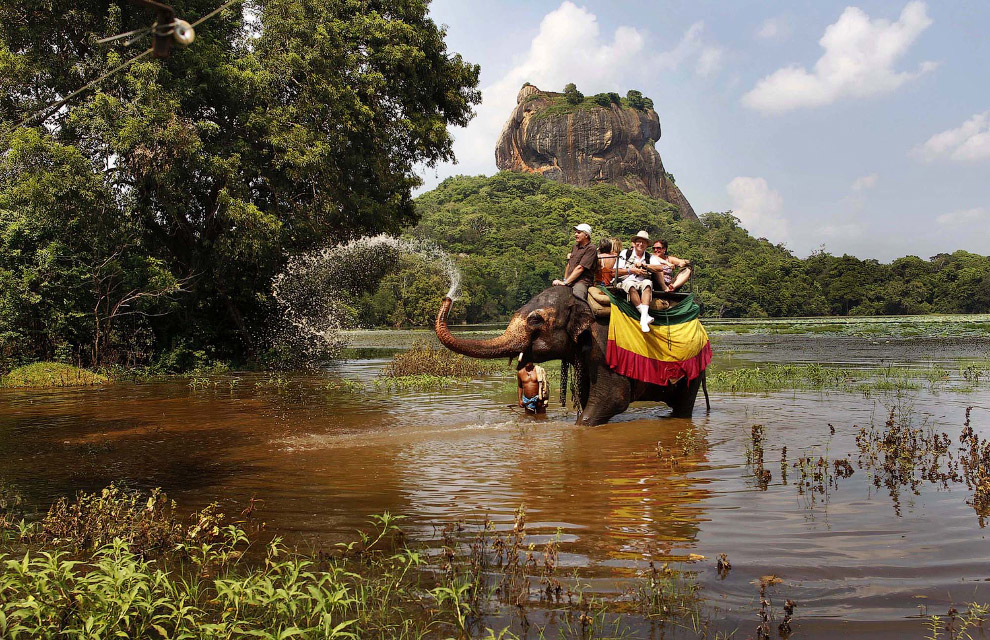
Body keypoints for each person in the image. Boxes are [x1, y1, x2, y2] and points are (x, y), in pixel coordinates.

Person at [616, 230, 662, 332]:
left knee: (648, 283)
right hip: (626, 280)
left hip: (642, 281)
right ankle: (645, 316)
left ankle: (643, 319)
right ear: (634, 243)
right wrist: (631, 270)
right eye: (639, 241)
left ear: (646, 245)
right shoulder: (625, 253)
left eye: (644, 242)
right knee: (630, 284)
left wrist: (644, 265)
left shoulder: (649, 257)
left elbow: (660, 268)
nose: (641, 244)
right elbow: (615, 271)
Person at [553, 223, 596, 300]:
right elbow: (569, 264)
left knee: (577, 298)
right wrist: (565, 280)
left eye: (579, 232)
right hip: (569, 281)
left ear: (586, 235)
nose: (575, 234)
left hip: (581, 281)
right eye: (575, 232)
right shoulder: (575, 247)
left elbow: (580, 268)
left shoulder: (591, 248)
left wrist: (565, 283)